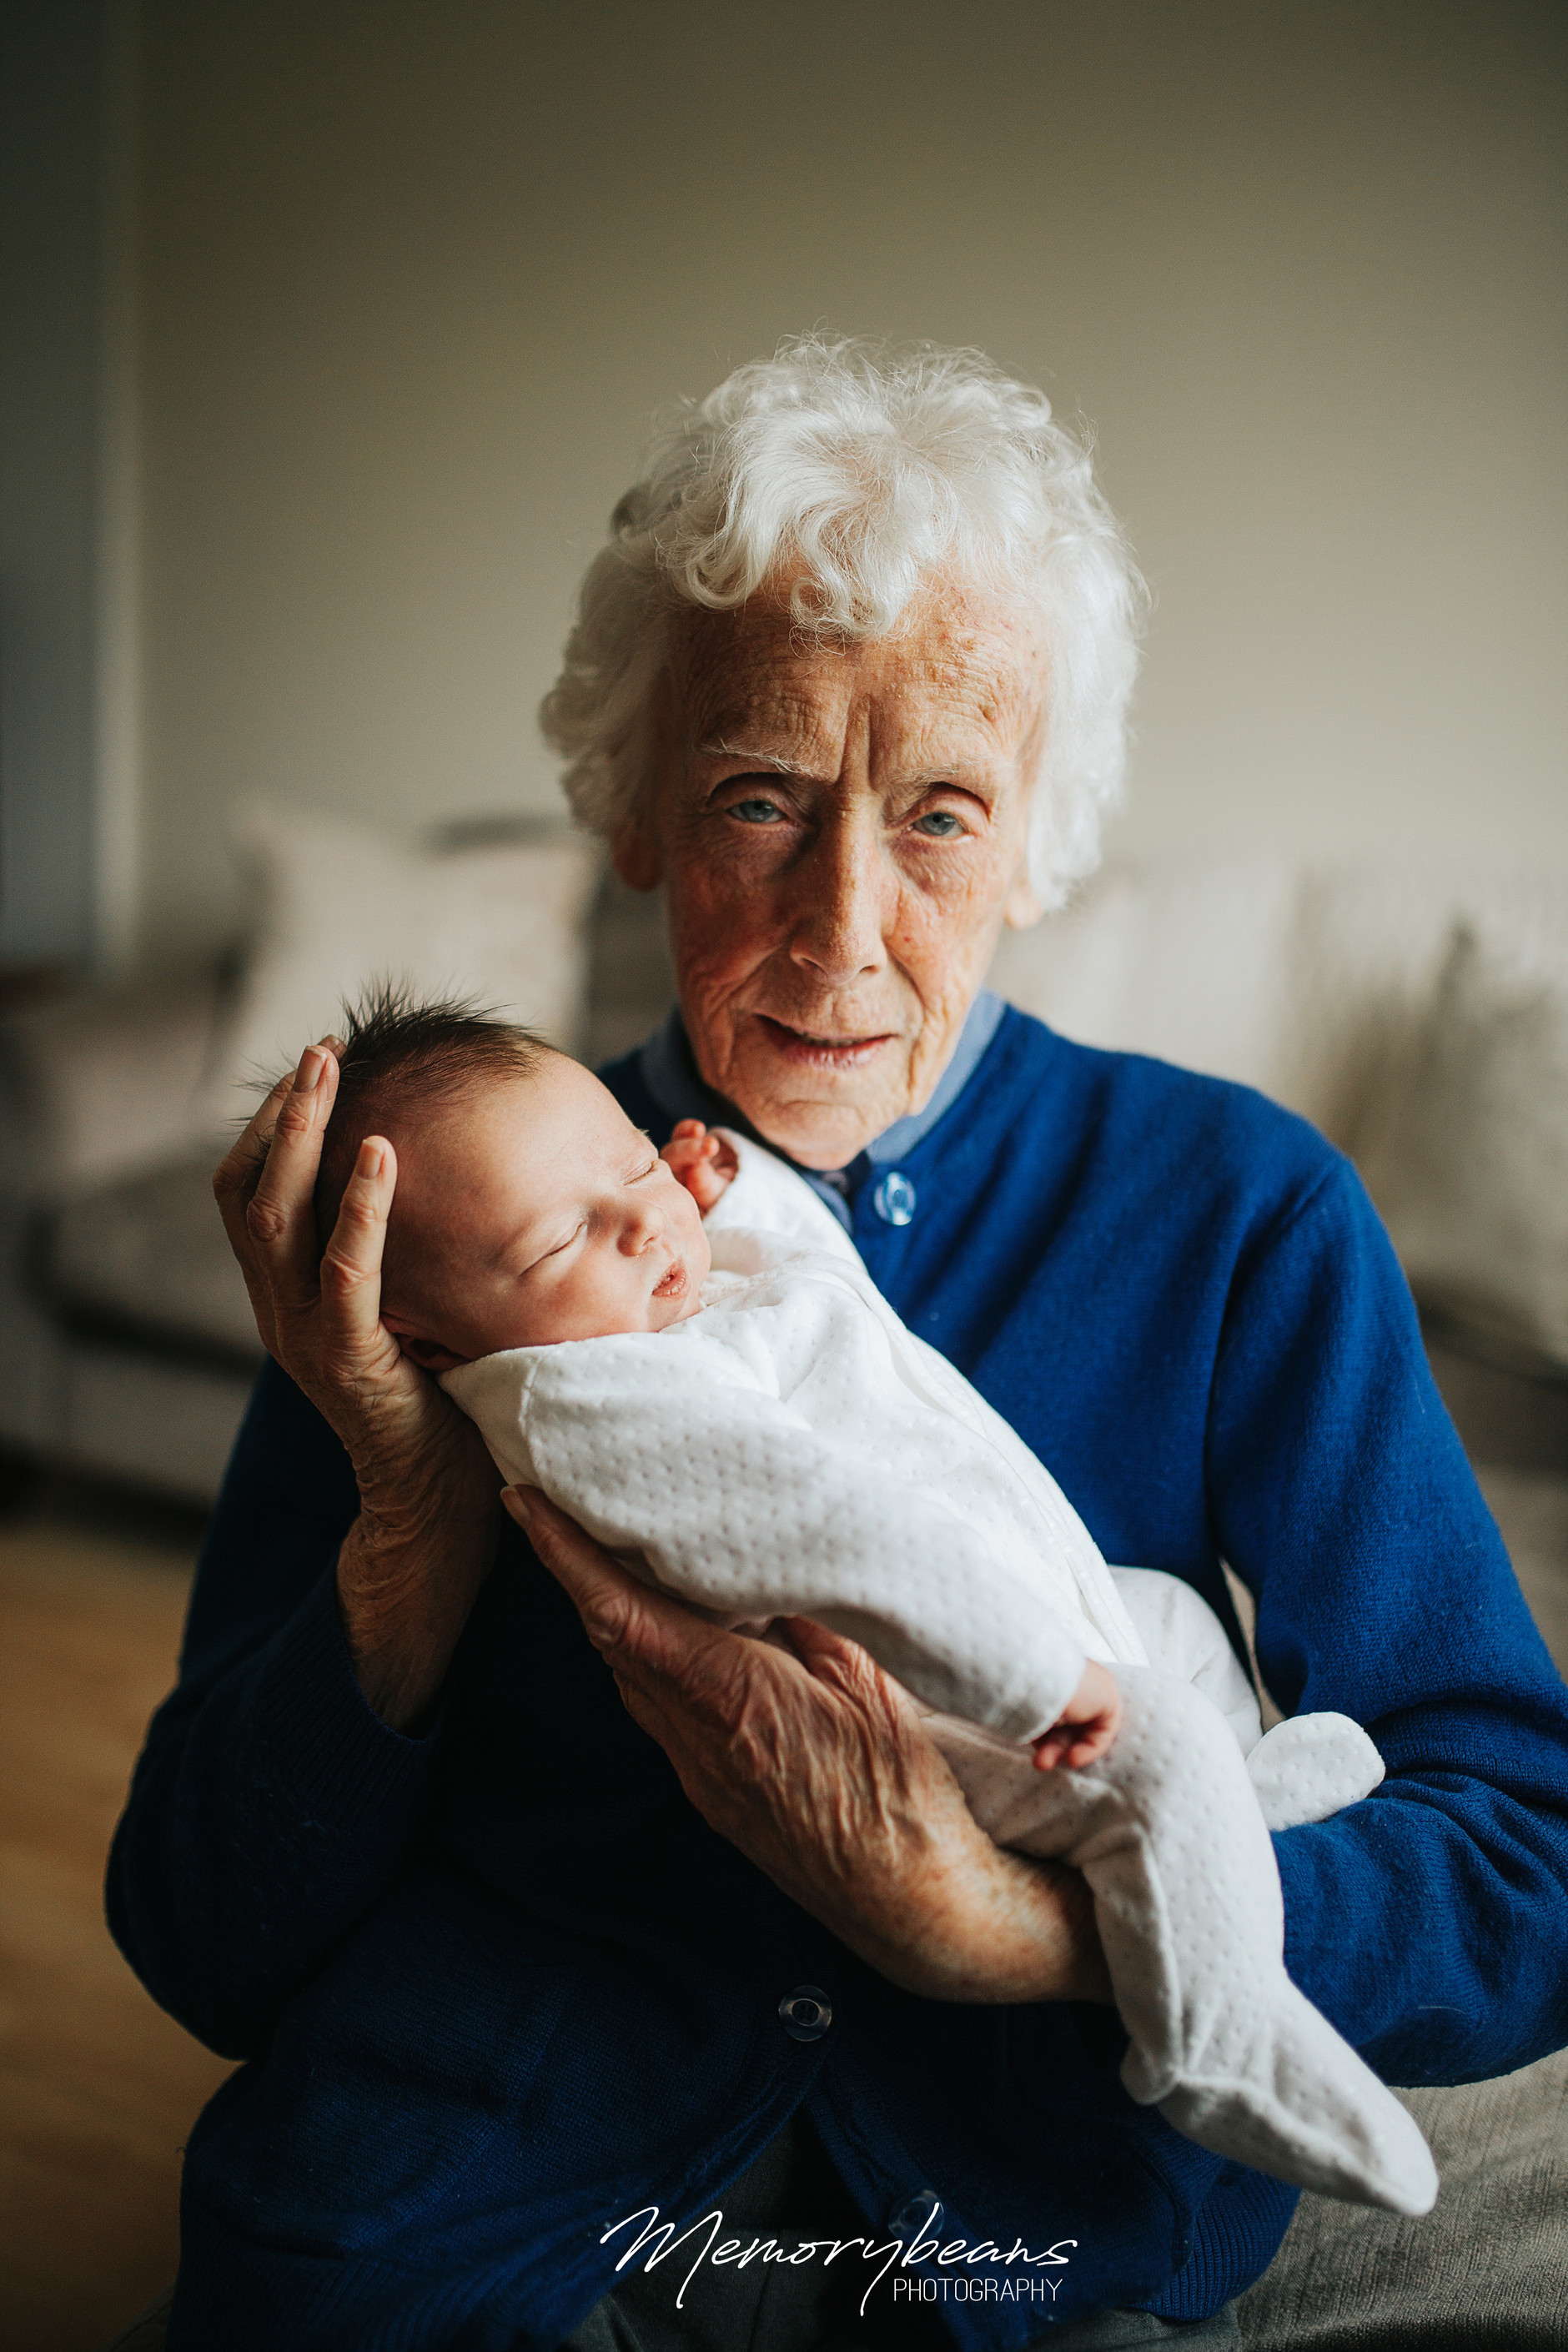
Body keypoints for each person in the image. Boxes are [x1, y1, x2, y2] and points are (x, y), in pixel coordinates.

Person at [108, 338, 1568, 2351]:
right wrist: (403, 1510)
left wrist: (1042, 1936)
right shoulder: (432, 1235)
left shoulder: (1241, 1214)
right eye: (761, 799)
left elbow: (1517, 1852)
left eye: (943, 815)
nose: (842, 927)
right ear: (635, 808)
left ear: (1040, 845)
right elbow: (199, 1937)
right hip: (491, 2208)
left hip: (1020, 2236)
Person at [299, 984, 1431, 2214]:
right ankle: (1216, 2038)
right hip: (935, 1699)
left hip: (1031, 1596)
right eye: (560, 1240)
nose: (640, 1223)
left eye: (633, 1162)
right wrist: (1034, 1681)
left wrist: (749, 1195)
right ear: (427, 1345)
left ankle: (1246, 1821)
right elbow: (835, 1539)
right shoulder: (592, 1406)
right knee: (1154, 1759)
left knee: (1179, 1628)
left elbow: (819, 1291)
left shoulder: (651, 1309)